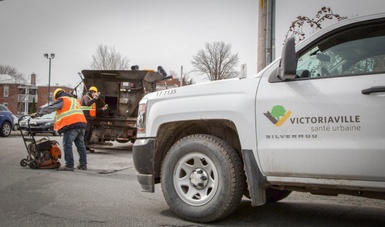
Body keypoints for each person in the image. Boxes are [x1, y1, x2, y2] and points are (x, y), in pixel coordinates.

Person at [33, 88, 88, 171]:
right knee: (81, 145)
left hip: (72, 125)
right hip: (82, 124)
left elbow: (50, 108)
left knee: (67, 144)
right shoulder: (75, 100)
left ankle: (69, 165)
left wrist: (38, 114)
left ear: (57, 96)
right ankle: (83, 165)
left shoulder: (63, 100)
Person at [81, 86, 107, 151]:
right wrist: (95, 99)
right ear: (92, 92)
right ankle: (83, 147)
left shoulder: (90, 98)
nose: (95, 95)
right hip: (86, 118)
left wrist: (102, 109)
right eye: (95, 93)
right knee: (86, 132)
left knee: (89, 133)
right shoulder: (87, 97)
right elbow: (87, 104)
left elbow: (93, 110)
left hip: (90, 118)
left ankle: (86, 146)